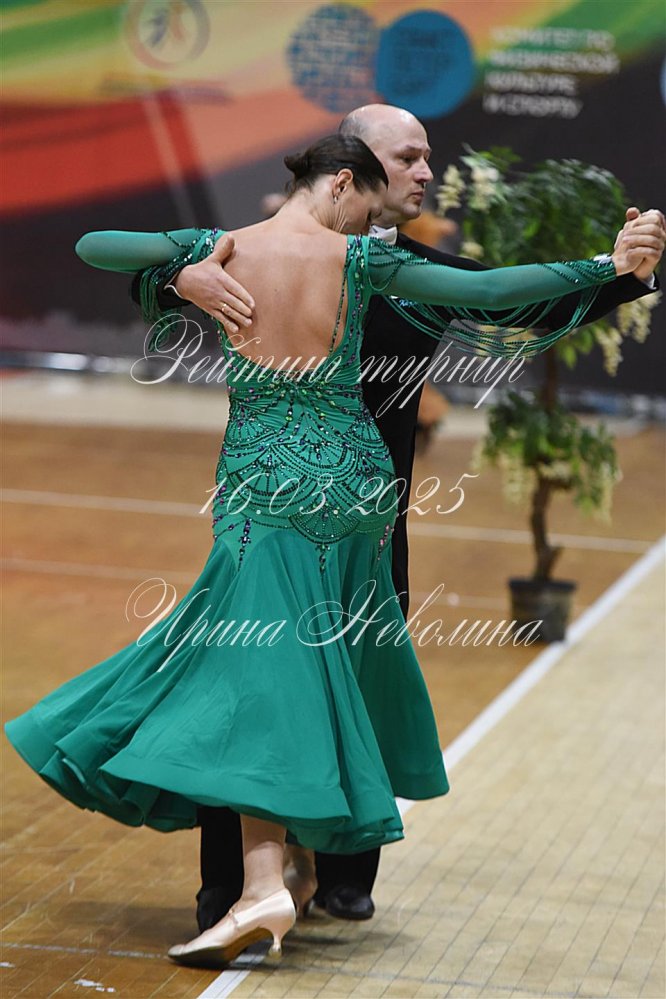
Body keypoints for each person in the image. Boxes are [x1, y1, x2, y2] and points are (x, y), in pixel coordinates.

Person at [5, 132, 660, 970]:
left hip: (267, 489)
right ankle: (279, 876)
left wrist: (181, 270)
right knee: (305, 671)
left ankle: (263, 885)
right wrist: (608, 265)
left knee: (262, 679)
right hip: (359, 487)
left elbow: (94, 245)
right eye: (367, 201)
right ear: (341, 182)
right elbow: (492, 290)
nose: (367, 220)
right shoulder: (361, 262)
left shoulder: (222, 245)